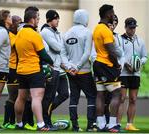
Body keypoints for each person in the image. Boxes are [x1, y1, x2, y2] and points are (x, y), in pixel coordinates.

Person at [14, 6, 54, 131]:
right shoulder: (35, 35)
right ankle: (41, 124)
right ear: (32, 19)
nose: (38, 20)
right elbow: (43, 54)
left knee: (21, 97)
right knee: (37, 97)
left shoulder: (19, 33)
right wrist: (52, 61)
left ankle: (19, 123)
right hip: (34, 70)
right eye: (37, 18)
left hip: (21, 70)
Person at [61, 9, 97, 132]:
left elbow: (63, 54)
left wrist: (69, 67)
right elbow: (87, 53)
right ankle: (90, 126)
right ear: (84, 18)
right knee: (92, 97)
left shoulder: (66, 34)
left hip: (71, 72)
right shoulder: (87, 32)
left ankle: (75, 126)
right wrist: (77, 67)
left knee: (74, 98)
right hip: (85, 71)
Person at [92, 4, 122, 132]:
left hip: (98, 64)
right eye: (112, 13)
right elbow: (111, 51)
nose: (113, 15)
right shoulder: (106, 30)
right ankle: (112, 125)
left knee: (100, 95)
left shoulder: (96, 28)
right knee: (117, 94)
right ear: (108, 14)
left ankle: (101, 124)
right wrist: (117, 65)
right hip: (107, 65)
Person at [117, 17, 148, 131]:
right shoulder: (120, 40)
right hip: (123, 73)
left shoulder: (140, 41)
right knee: (121, 98)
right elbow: (119, 55)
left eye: (134, 28)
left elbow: (145, 56)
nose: (133, 30)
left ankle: (130, 124)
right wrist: (126, 64)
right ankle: (117, 124)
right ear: (125, 27)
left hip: (136, 74)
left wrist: (139, 63)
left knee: (133, 99)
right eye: (130, 28)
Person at [40, 10, 69, 129]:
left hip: (59, 68)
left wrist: (66, 66)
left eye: (58, 19)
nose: (58, 21)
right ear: (49, 19)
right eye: (55, 19)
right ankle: (46, 122)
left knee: (64, 94)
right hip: (51, 68)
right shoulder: (45, 32)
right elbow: (58, 48)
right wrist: (61, 45)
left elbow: (62, 51)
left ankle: (47, 111)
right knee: (49, 96)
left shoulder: (56, 32)